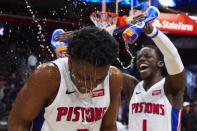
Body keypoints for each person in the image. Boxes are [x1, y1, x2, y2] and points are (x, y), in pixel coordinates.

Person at [8, 26, 123, 131]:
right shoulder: (47, 76)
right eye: (85, 78)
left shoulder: (113, 78)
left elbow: (108, 126)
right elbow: (18, 122)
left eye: (99, 80)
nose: (91, 85)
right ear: (70, 61)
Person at [123, 23, 184, 131]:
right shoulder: (132, 86)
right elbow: (105, 69)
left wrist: (154, 33)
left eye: (148, 56)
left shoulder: (170, 86)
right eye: (139, 58)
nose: (141, 59)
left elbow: (173, 56)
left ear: (160, 63)